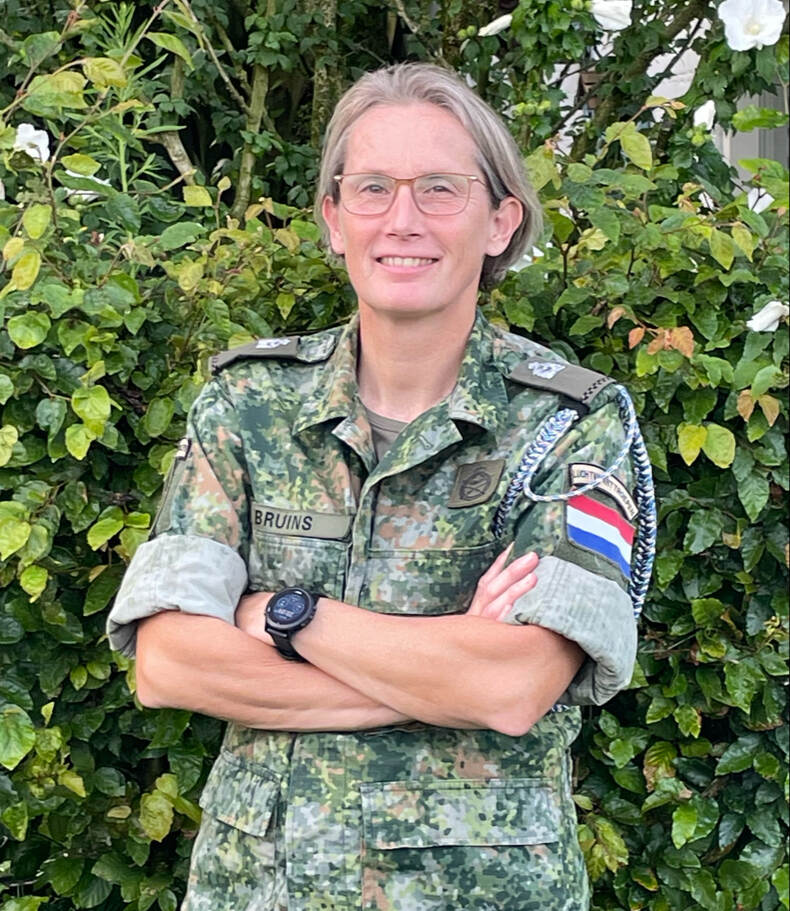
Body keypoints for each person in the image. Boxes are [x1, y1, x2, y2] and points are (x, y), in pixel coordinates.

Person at [108, 62, 650, 911]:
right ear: (333, 219)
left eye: (440, 188)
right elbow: (169, 662)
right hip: (261, 890)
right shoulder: (248, 405)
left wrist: (285, 617)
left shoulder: (571, 423)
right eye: (372, 188)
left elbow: (512, 688)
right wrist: (443, 672)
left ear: (501, 220)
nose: (403, 219)